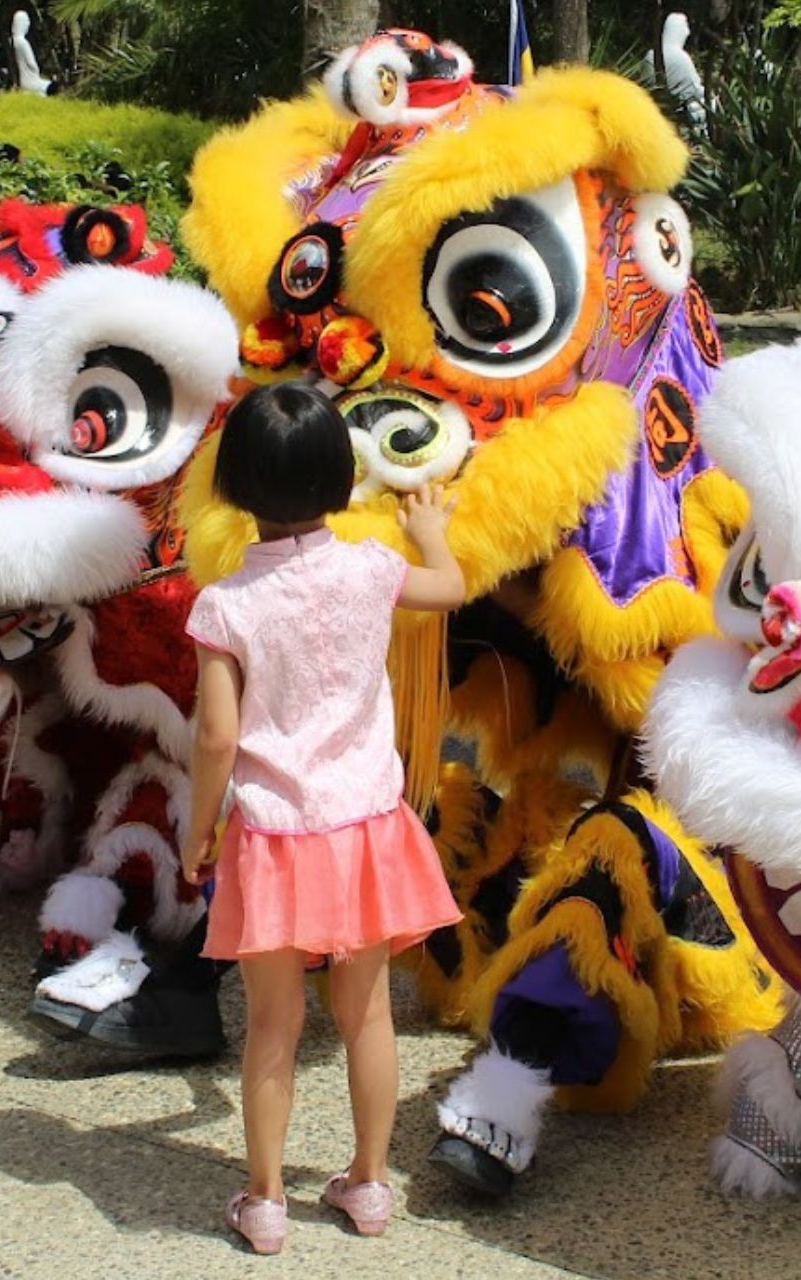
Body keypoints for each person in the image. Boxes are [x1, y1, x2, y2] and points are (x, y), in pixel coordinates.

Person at [178, 382, 465, 1255]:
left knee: (272, 1024)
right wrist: (429, 531)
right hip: (367, 826)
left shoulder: (225, 605)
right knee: (367, 1015)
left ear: (233, 487)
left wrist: (200, 827)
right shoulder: (373, 570)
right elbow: (449, 587)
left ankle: (264, 1201)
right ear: (342, 479)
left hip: (274, 833)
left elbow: (217, 737)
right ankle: (369, 1186)